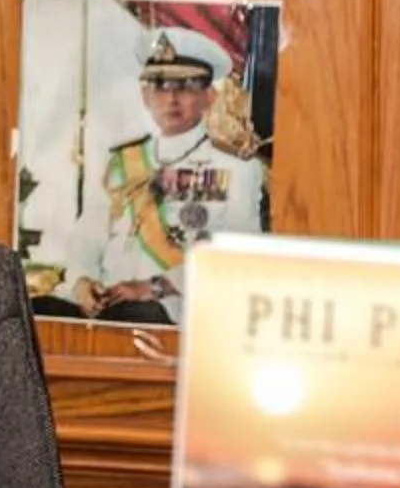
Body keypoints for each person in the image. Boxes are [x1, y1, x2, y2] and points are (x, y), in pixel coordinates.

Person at [83, 19, 268, 322]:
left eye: (185, 86)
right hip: (109, 305)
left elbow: (237, 252)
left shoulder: (237, 168)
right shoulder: (121, 162)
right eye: (160, 86)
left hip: (178, 314)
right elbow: (87, 234)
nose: (170, 99)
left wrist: (156, 286)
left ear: (209, 96)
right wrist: (82, 283)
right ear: (145, 96)